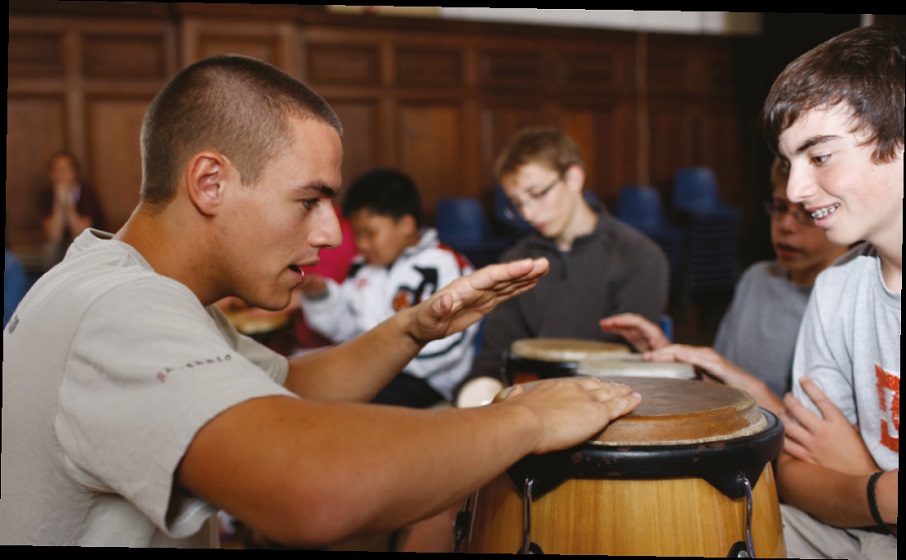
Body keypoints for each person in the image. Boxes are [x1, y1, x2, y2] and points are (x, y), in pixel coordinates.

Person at [0, 54, 642, 548]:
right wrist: (528, 418)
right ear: (210, 182)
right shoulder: (119, 308)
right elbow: (314, 488)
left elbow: (293, 388)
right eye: (309, 200)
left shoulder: (125, 281)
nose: (332, 233)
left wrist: (415, 326)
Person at [758, 23, 900, 559]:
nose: (794, 190)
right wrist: (881, 492)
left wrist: (865, 482)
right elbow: (796, 477)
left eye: (819, 157)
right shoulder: (838, 286)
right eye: (791, 162)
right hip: (854, 525)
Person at [600, 156, 848, 410]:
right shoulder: (757, 278)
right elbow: (719, 386)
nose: (785, 225)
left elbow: (816, 444)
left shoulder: (853, 300)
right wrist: (670, 356)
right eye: (780, 207)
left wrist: (751, 389)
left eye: (806, 213)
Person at [459, 127, 670, 398]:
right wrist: (477, 394)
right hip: (533, 404)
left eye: (537, 194)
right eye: (517, 204)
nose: (529, 213)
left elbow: (628, 363)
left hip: (611, 401)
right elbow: (496, 355)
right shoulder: (515, 262)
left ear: (573, 177)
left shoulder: (639, 256)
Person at [301, 167, 477, 409]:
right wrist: (322, 296)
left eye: (370, 233)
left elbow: (449, 344)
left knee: (345, 404)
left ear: (406, 225)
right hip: (376, 369)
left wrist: (378, 361)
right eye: (357, 234)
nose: (361, 244)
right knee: (308, 388)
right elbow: (346, 329)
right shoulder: (363, 269)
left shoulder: (444, 265)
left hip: (428, 378)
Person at [39, 150, 106, 271]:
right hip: (61, 243)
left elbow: (80, 233)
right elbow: (54, 236)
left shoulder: (87, 192)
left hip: (89, 240)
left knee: (79, 250)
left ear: (75, 173)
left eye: (64, 170)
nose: (60, 175)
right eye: (56, 171)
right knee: (50, 251)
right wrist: (59, 202)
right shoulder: (47, 195)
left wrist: (69, 203)